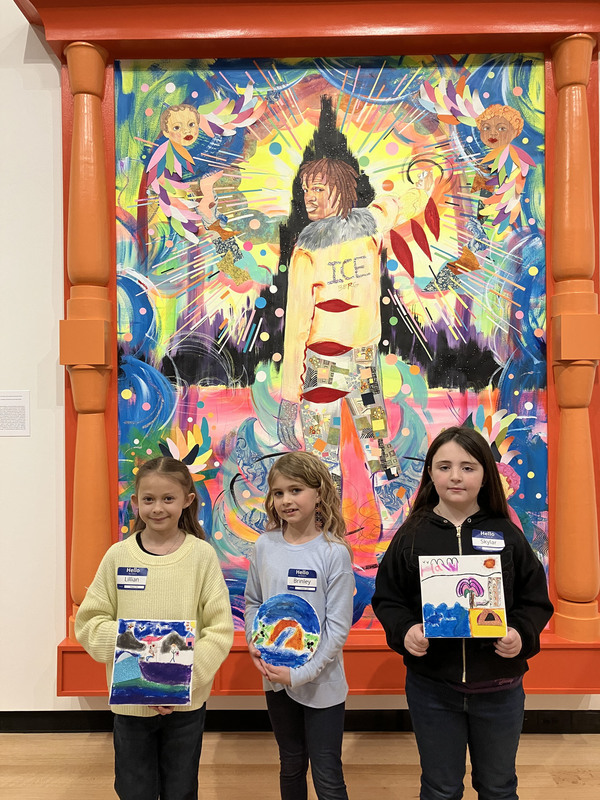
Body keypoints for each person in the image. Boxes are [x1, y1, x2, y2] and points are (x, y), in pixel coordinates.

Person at [372, 426, 553, 800]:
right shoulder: (411, 535)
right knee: (440, 789)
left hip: (500, 690)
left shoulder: (507, 533)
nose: (455, 476)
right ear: (430, 473)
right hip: (432, 689)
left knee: (499, 787)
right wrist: (404, 631)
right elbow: (388, 599)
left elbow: (535, 600)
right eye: (444, 466)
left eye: (468, 467)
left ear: (486, 474)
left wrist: (521, 633)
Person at [75, 456, 234, 800]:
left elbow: (219, 629)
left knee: (180, 788)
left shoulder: (202, 557)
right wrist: (136, 669)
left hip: (185, 706)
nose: (157, 508)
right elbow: (90, 622)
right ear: (134, 503)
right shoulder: (117, 556)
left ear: (188, 500)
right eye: (148, 499)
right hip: (131, 706)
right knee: (134, 788)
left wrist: (180, 683)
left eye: (168, 499)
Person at [278, 157, 427, 521]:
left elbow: (297, 326)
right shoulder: (371, 223)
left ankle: (331, 526)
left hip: (325, 362)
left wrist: (288, 398)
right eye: (305, 190)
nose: (308, 198)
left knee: (323, 450)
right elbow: (402, 204)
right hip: (355, 357)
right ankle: (392, 515)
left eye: (318, 189)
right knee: (375, 441)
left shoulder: (308, 249)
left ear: (341, 190)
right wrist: (425, 185)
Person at [244, 451, 355, 800]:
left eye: (295, 490)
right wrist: (254, 640)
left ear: (318, 493)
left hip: (321, 682)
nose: (286, 500)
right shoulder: (265, 546)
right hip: (275, 679)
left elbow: (337, 627)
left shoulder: (333, 552)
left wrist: (301, 674)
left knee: (327, 772)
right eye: (278, 493)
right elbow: (253, 602)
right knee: (290, 764)